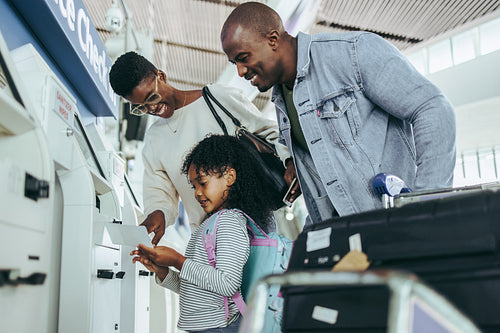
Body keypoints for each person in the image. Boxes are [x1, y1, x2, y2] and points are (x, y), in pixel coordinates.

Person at [220, 2, 457, 225]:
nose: (240, 72)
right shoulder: (282, 102)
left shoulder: (352, 53)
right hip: (349, 242)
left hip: (398, 227)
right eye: (234, 64)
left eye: (243, 58)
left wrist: (426, 203)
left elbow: (433, 108)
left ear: (272, 39)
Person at [109, 51, 293, 244]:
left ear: (160, 76)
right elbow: (158, 189)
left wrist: (289, 160)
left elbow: (269, 131)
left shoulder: (217, 98)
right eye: (141, 107)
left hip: (254, 223)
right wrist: (158, 213)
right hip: (207, 236)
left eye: (152, 97)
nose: (151, 109)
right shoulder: (155, 139)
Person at [130, 134, 277, 332]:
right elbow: (198, 291)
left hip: (222, 328)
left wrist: (177, 260)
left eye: (203, 183)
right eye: (194, 186)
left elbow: (227, 284)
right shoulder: (211, 223)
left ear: (230, 177)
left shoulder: (230, 222)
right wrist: (162, 271)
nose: (197, 193)